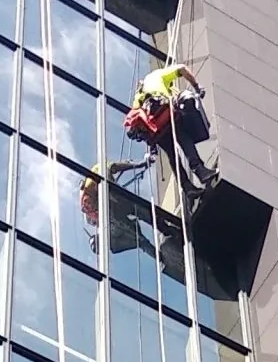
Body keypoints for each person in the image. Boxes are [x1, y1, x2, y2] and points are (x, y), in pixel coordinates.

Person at [123, 61, 217, 200]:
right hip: (165, 115)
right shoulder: (157, 75)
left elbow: (140, 121)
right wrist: (197, 87)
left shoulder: (138, 96)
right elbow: (182, 69)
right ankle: (200, 171)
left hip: (155, 130)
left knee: (172, 155)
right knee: (184, 139)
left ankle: (187, 188)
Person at [79, 159, 158, 255]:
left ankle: (160, 230)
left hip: (119, 206)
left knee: (146, 218)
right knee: (140, 237)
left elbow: (115, 167)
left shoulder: (98, 173)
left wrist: (138, 164)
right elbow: (115, 167)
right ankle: (156, 250)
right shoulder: (90, 207)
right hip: (116, 213)